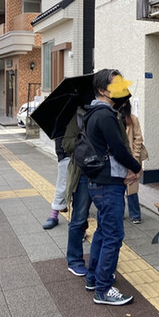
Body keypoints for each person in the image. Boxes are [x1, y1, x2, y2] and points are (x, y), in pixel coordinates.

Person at [83, 69, 142, 305]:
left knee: (103, 232)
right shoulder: (105, 115)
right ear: (102, 90)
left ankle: (93, 278)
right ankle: (103, 288)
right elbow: (118, 148)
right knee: (113, 236)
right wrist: (136, 167)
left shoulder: (92, 113)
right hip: (109, 184)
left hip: (99, 182)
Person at [62, 107, 92, 277]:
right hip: (82, 175)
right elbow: (66, 144)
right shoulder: (77, 117)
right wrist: (84, 139)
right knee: (79, 218)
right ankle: (74, 260)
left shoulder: (111, 114)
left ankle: (101, 262)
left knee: (106, 220)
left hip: (105, 175)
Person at [119, 99, 147, 224]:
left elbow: (138, 139)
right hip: (118, 158)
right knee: (118, 187)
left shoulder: (132, 119)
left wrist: (134, 160)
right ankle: (119, 213)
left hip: (131, 158)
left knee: (132, 187)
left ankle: (135, 215)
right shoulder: (112, 118)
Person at [42, 138, 70, 229]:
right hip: (66, 152)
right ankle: (54, 214)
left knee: (82, 189)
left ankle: (79, 222)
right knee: (62, 184)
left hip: (85, 152)